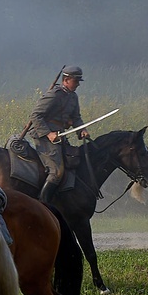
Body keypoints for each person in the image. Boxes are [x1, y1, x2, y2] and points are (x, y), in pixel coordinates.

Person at [28, 65, 89, 203]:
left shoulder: (73, 97)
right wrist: (48, 133)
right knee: (57, 172)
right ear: (66, 80)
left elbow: (76, 117)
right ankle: (43, 203)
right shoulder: (54, 95)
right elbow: (35, 115)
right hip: (43, 137)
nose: (78, 84)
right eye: (76, 81)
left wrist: (81, 130)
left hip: (60, 137)